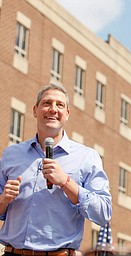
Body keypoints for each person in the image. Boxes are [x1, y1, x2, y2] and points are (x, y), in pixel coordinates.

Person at [0, 82, 112, 255]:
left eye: (60, 105)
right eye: (46, 103)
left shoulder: (87, 157)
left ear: (67, 114)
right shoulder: (11, 154)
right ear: (35, 110)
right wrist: (3, 200)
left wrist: (66, 182)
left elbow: (103, 213)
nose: (53, 109)